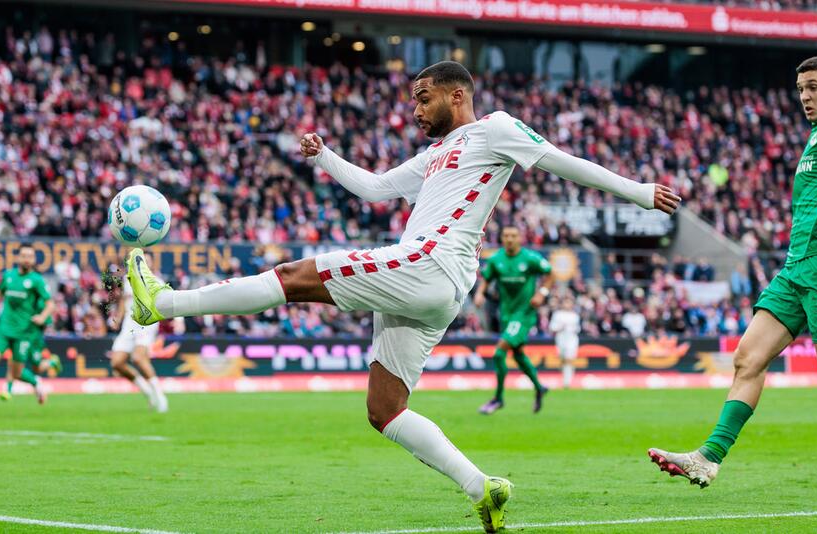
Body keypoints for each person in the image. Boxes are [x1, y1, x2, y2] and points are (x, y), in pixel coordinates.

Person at [126, 61, 679, 532]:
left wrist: (638, 193)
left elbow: (562, 161)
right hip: (434, 284)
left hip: (429, 261)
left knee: (296, 275)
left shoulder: (495, 129)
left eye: (423, 97)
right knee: (384, 408)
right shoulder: (438, 154)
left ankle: (165, 305)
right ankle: (481, 487)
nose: (415, 109)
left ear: (456, 94)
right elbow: (374, 188)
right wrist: (325, 157)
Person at [649, 56, 817, 488]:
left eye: (814, 87)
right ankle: (708, 458)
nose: (805, 96)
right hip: (795, 267)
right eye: (800, 88)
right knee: (747, 358)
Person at [473, 227, 553, 414]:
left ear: (520, 238)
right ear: (501, 238)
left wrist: (542, 293)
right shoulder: (496, 260)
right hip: (506, 314)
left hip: (524, 313)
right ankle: (539, 387)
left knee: (499, 353)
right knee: (517, 354)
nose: (509, 239)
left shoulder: (531, 258)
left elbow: (550, 273)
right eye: (506, 235)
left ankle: (498, 399)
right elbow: (486, 279)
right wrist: (479, 293)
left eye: (513, 236)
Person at [0, 245, 54, 418]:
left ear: (33, 260)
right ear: (18, 258)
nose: (26, 259)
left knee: (16, 373)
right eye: (23, 255)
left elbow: (50, 304)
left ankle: (35, 382)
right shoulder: (8, 276)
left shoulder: (36, 280)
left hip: (23, 333)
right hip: (3, 328)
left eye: (30, 256)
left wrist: (42, 316)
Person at [108, 267, 168, 413]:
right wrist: (118, 318)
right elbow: (124, 300)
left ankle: (160, 396)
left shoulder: (156, 282)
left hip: (146, 323)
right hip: (129, 323)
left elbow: (165, 303)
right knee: (116, 363)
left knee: (138, 358)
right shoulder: (128, 279)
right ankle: (147, 391)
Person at [549, 297, 581, 389]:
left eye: (569, 303)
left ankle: (567, 382)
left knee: (569, 358)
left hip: (572, 339)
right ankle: (565, 377)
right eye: (566, 302)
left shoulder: (575, 315)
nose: (567, 305)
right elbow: (552, 327)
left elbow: (577, 329)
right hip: (561, 338)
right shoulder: (557, 314)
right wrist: (560, 327)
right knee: (563, 359)